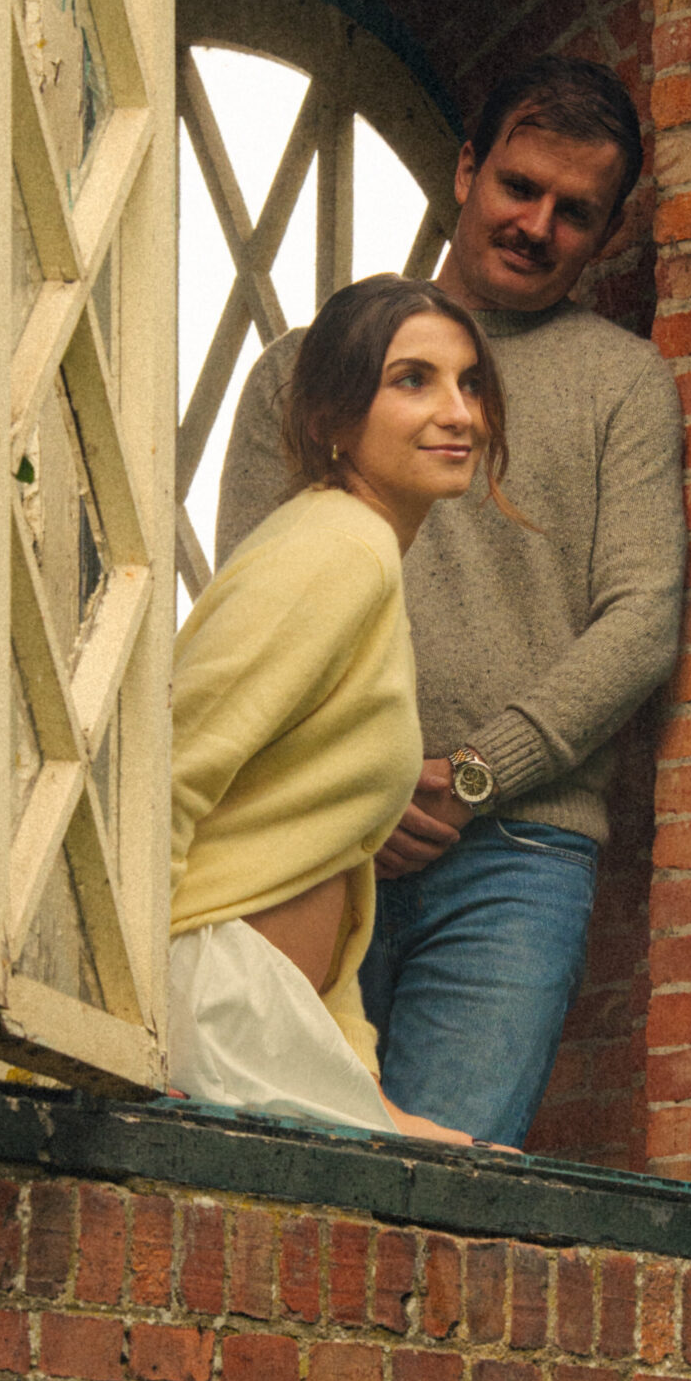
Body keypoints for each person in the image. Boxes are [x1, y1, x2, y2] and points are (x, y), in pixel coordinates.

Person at [216, 55, 686, 1147]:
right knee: (267, 1161)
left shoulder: (620, 383)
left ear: (607, 231)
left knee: (449, 1194)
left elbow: (638, 621)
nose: (537, 224)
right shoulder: (302, 372)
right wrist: (356, 788)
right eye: (518, 186)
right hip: (315, 832)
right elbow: (248, 613)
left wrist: (474, 778)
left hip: (519, 855)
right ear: (466, 169)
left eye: (575, 211)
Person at [170, 274, 519, 1146]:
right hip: (216, 1011)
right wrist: (127, 1014)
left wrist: (371, 1093)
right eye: (413, 380)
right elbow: (162, 773)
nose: (460, 414)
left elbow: (331, 871)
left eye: (469, 382)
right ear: (331, 419)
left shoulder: (359, 550)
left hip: (269, 1023)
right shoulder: (335, 549)